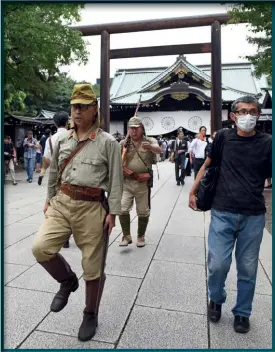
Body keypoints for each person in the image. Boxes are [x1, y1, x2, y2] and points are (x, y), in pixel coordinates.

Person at [31, 83, 123, 342]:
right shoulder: (61, 139)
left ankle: (90, 313)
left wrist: (112, 213)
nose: (78, 111)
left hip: (92, 207)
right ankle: (68, 280)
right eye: (74, 106)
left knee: (92, 266)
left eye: (83, 106)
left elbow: (116, 181)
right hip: (62, 202)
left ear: (95, 109)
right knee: (41, 248)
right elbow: (53, 173)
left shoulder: (108, 143)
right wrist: (49, 198)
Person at [189, 96, 272, 334]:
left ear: (258, 115)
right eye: (243, 111)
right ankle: (216, 298)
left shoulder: (268, 142)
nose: (248, 116)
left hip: (253, 215)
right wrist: (193, 191)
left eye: (253, 111)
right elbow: (207, 164)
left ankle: (243, 312)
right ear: (233, 116)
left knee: (247, 268)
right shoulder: (224, 137)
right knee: (217, 264)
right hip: (222, 211)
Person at [119, 117, 161, 247]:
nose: (133, 131)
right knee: (122, 209)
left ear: (142, 128)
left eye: (136, 128)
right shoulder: (124, 143)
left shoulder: (149, 141)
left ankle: (140, 236)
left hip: (142, 182)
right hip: (127, 182)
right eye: (131, 128)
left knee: (143, 211)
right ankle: (126, 236)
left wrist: (151, 148)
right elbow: (116, 159)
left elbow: (160, 150)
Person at [38, 112, 69, 186]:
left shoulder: (49, 140)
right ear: (67, 122)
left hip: (56, 173)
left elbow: (47, 160)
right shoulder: (74, 136)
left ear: (55, 124)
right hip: (71, 174)